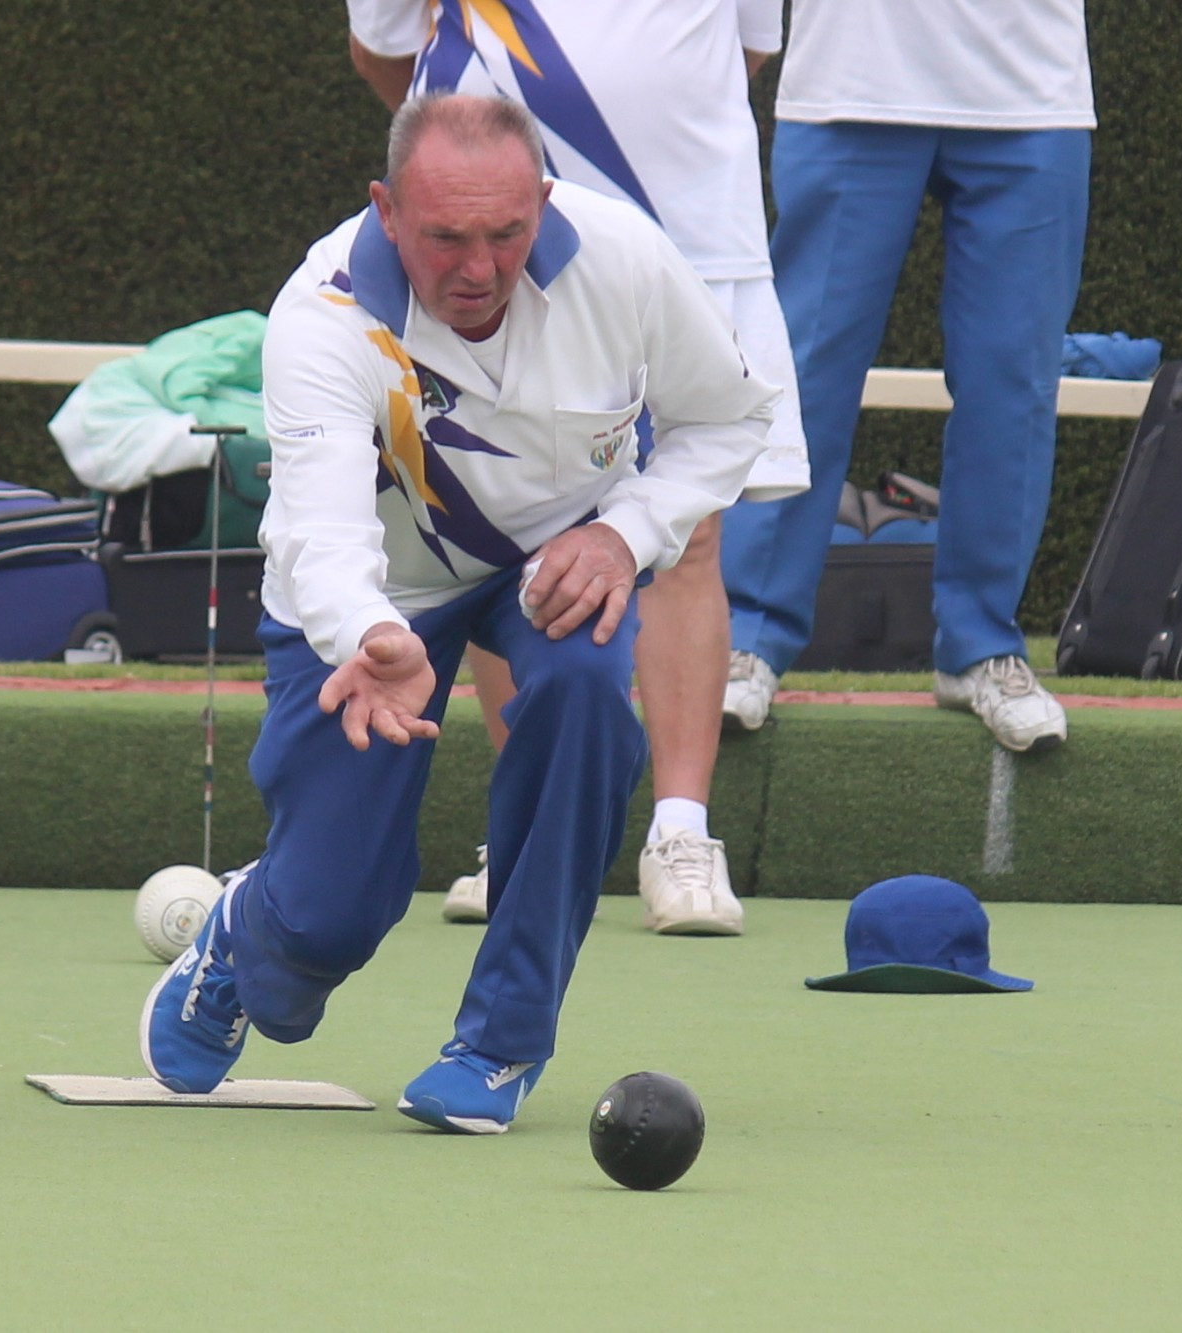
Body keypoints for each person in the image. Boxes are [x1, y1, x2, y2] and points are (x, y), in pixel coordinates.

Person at [140, 94, 774, 1133]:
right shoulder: (325, 315)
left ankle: (501, 1043)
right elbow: (322, 533)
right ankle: (249, 928)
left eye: (505, 233)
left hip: (552, 570)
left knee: (583, 692)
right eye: (445, 237)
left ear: (544, 201)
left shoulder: (624, 260)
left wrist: (624, 534)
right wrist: (370, 636)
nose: (478, 268)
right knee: (322, 930)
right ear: (387, 211)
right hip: (372, 604)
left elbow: (725, 420)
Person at [346, 0, 809, 935]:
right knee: (494, 519)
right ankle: (526, 828)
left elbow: (755, 43)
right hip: (499, 227)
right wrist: (491, 165)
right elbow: (384, 50)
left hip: (687, 228)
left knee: (689, 527)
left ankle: (681, 833)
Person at [718, 0, 1093, 753]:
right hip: (848, 83)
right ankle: (745, 638)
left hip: (1030, 89)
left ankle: (982, 644)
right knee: (803, 374)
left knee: (1012, 384)